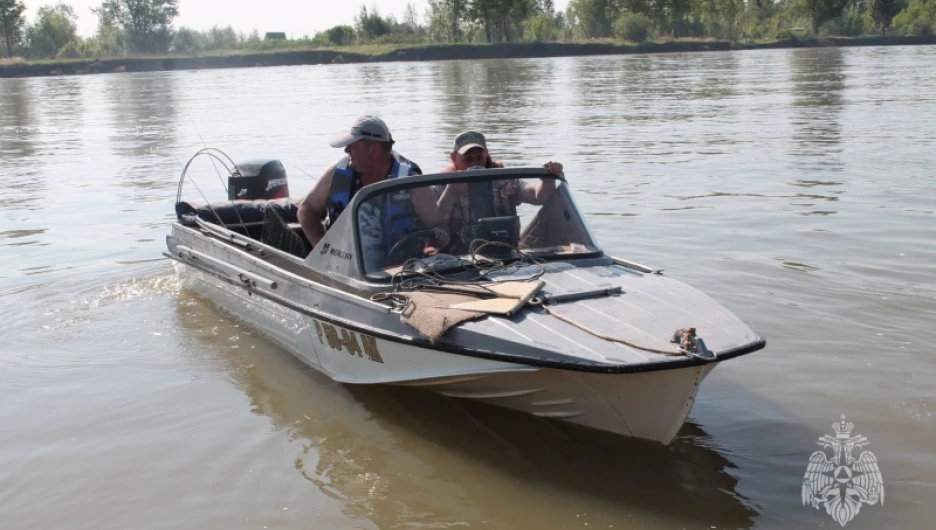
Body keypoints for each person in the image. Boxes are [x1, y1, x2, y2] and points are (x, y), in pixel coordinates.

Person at [297, 115, 447, 258]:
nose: (346, 150)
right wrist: (324, 253)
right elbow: (305, 211)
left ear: (374, 150)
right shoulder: (337, 172)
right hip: (344, 267)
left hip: (399, 270)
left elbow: (438, 225)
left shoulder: (410, 180)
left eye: (352, 145)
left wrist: (433, 243)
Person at [434, 131, 564, 254]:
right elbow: (434, 222)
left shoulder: (503, 179)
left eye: (479, 157)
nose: (474, 164)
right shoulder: (443, 183)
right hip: (456, 260)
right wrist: (451, 192)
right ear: (454, 158)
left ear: (487, 155)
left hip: (505, 253)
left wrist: (548, 178)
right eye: (468, 159)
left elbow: (538, 197)